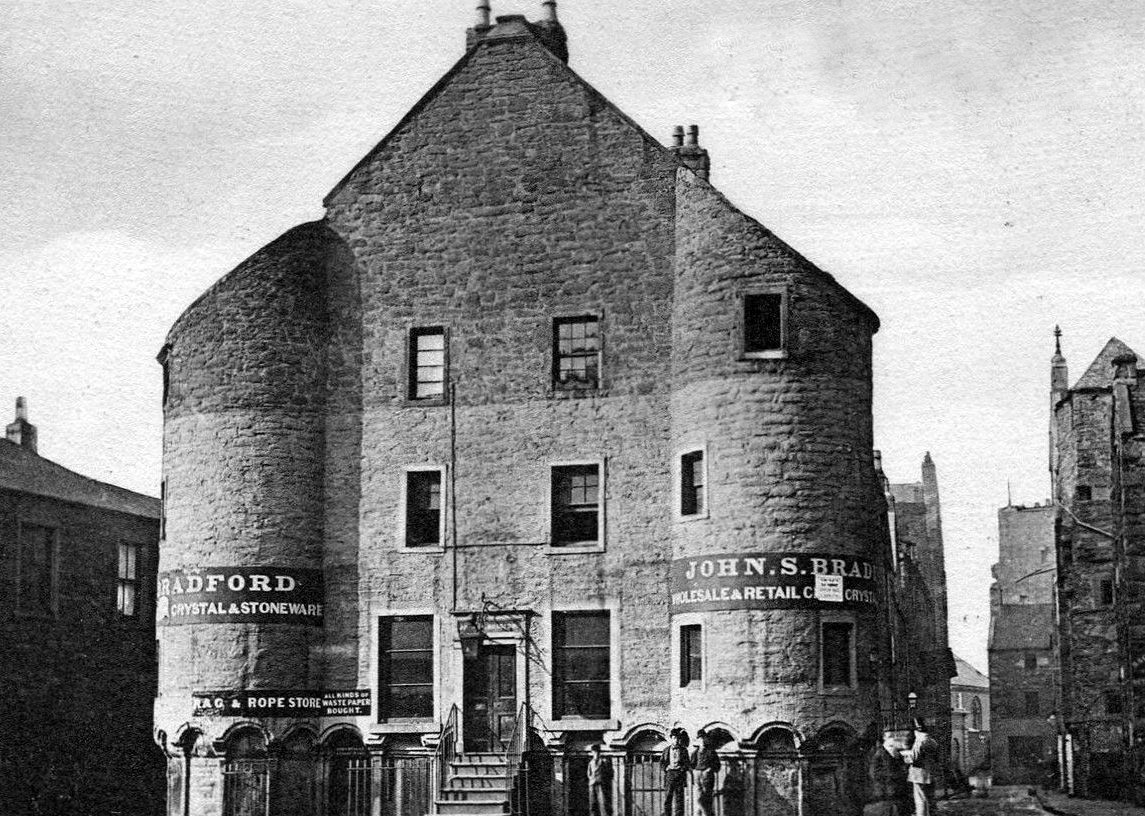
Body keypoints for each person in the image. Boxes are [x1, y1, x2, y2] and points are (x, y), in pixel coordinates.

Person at [865, 730, 907, 816]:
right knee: (888, 808)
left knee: (899, 807)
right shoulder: (879, 753)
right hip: (886, 786)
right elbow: (873, 772)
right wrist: (886, 777)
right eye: (890, 737)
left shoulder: (896, 753)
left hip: (896, 786)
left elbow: (901, 767)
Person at [903, 718, 940, 816]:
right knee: (929, 799)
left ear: (917, 732)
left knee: (920, 800)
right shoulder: (932, 741)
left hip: (919, 775)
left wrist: (906, 757)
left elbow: (914, 758)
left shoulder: (919, 742)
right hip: (930, 773)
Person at [660, 727, 693, 816]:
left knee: (679, 798)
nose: (676, 740)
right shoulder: (666, 750)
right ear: (671, 739)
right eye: (674, 738)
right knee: (668, 798)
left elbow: (687, 763)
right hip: (670, 775)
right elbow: (662, 762)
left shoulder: (683, 750)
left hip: (679, 775)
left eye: (678, 738)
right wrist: (666, 768)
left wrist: (682, 769)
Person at [693, 728, 722, 816]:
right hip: (698, 776)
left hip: (707, 776)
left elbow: (717, 766)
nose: (702, 740)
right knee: (698, 798)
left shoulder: (711, 752)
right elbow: (691, 764)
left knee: (706, 798)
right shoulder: (695, 752)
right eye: (700, 739)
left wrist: (710, 769)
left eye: (703, 738)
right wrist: (694, 771)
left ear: (706, 738)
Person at [587, 743, 614, 816]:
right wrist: (592, 779)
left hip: (601, 784)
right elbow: (589, 773)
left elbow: (609, 773)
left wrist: (602, 779)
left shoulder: (603, 761)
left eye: (597, 752)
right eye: (594, 752)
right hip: (592, 784)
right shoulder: (591, 762)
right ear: (592, 752)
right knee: (592, 803)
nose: (595, 753)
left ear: (599, 752)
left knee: (603, 803)